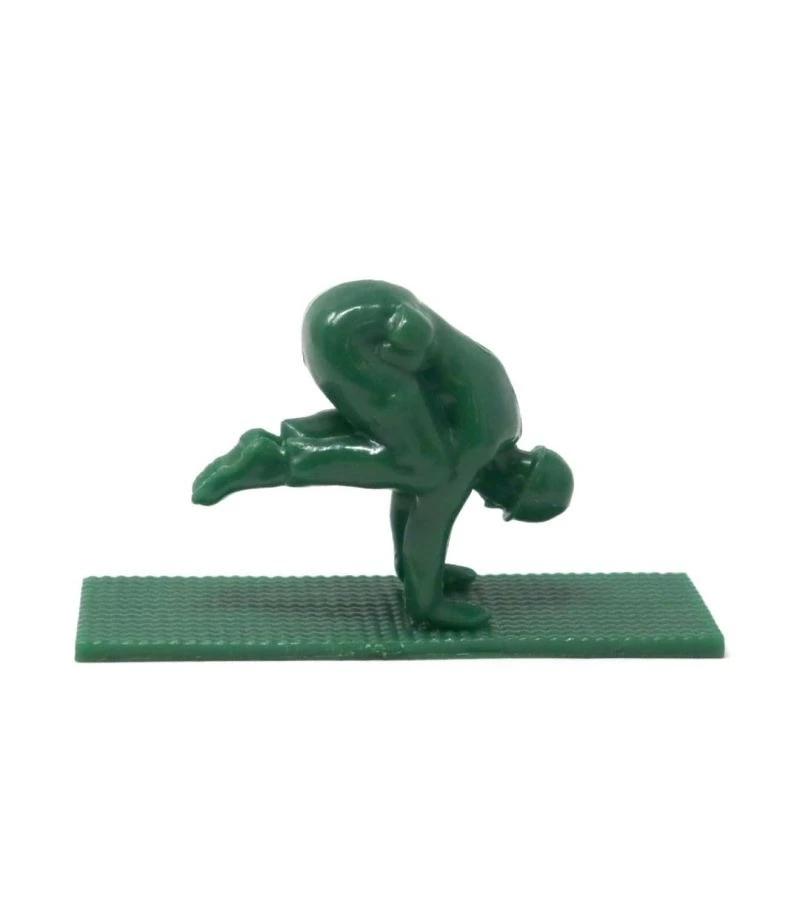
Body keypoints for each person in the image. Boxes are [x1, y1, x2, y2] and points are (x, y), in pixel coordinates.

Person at [192, 280, 573, 630]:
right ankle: (274, 461)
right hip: (364, 335)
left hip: (342, 319)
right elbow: (430, 520)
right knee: (426, 469)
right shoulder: (479, 445)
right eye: (506, 504)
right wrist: (427, 602)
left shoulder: (502, 421)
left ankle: (274, 447)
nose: (489, 504)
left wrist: (412, 570)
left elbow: (408, 490)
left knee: (415, 464)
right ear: (521, 479)